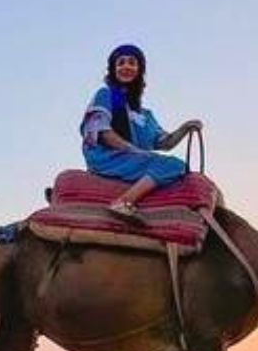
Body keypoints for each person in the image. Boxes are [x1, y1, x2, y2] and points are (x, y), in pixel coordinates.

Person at [81, 44, 202, 221]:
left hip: (134, 159)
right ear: (113, 70)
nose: (126, 67)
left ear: (139, 70)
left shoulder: (146, 115)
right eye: (120, 63)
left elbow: (165, 142)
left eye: (132, 62)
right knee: (176, 165)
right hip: (109, 156)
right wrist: (134, 150)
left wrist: (185, 128)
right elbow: (101, 132)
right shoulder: (106, 95)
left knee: (176, 169)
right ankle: (124, 202)